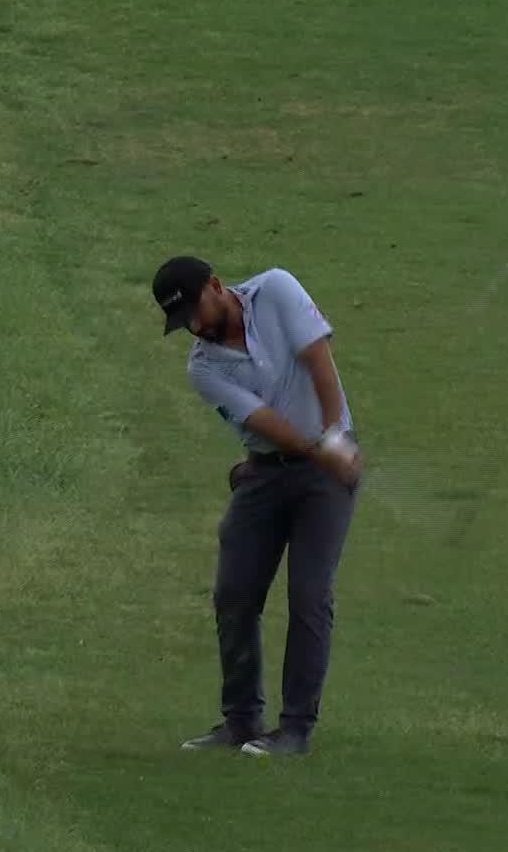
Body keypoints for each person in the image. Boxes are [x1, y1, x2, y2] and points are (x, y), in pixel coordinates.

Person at [152, 255, 362, 757]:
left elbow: (318, 359)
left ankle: (295, 729)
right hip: (267, 471)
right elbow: (264, 421)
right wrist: (317, 451)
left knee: (309, 594)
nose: (195, 328)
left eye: (196, 312)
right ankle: (241, 720)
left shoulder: (277, 289)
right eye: (183, 323)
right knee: (235, 592)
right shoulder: (203, 368)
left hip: (325, 474)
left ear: (216, 286)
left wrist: (335, 438)